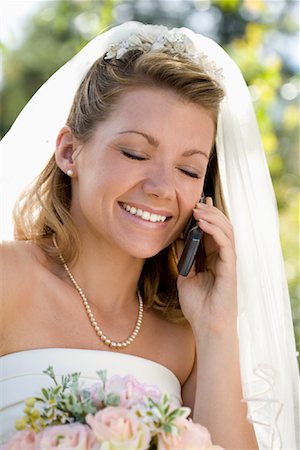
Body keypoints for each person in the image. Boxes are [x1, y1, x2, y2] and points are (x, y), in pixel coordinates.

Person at [0, 21, 298, 450]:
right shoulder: (10, 278)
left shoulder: (186, 342)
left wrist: (215, 329)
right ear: (69, 152)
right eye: (135, 153)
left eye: (189, 169)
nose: (162, 187)